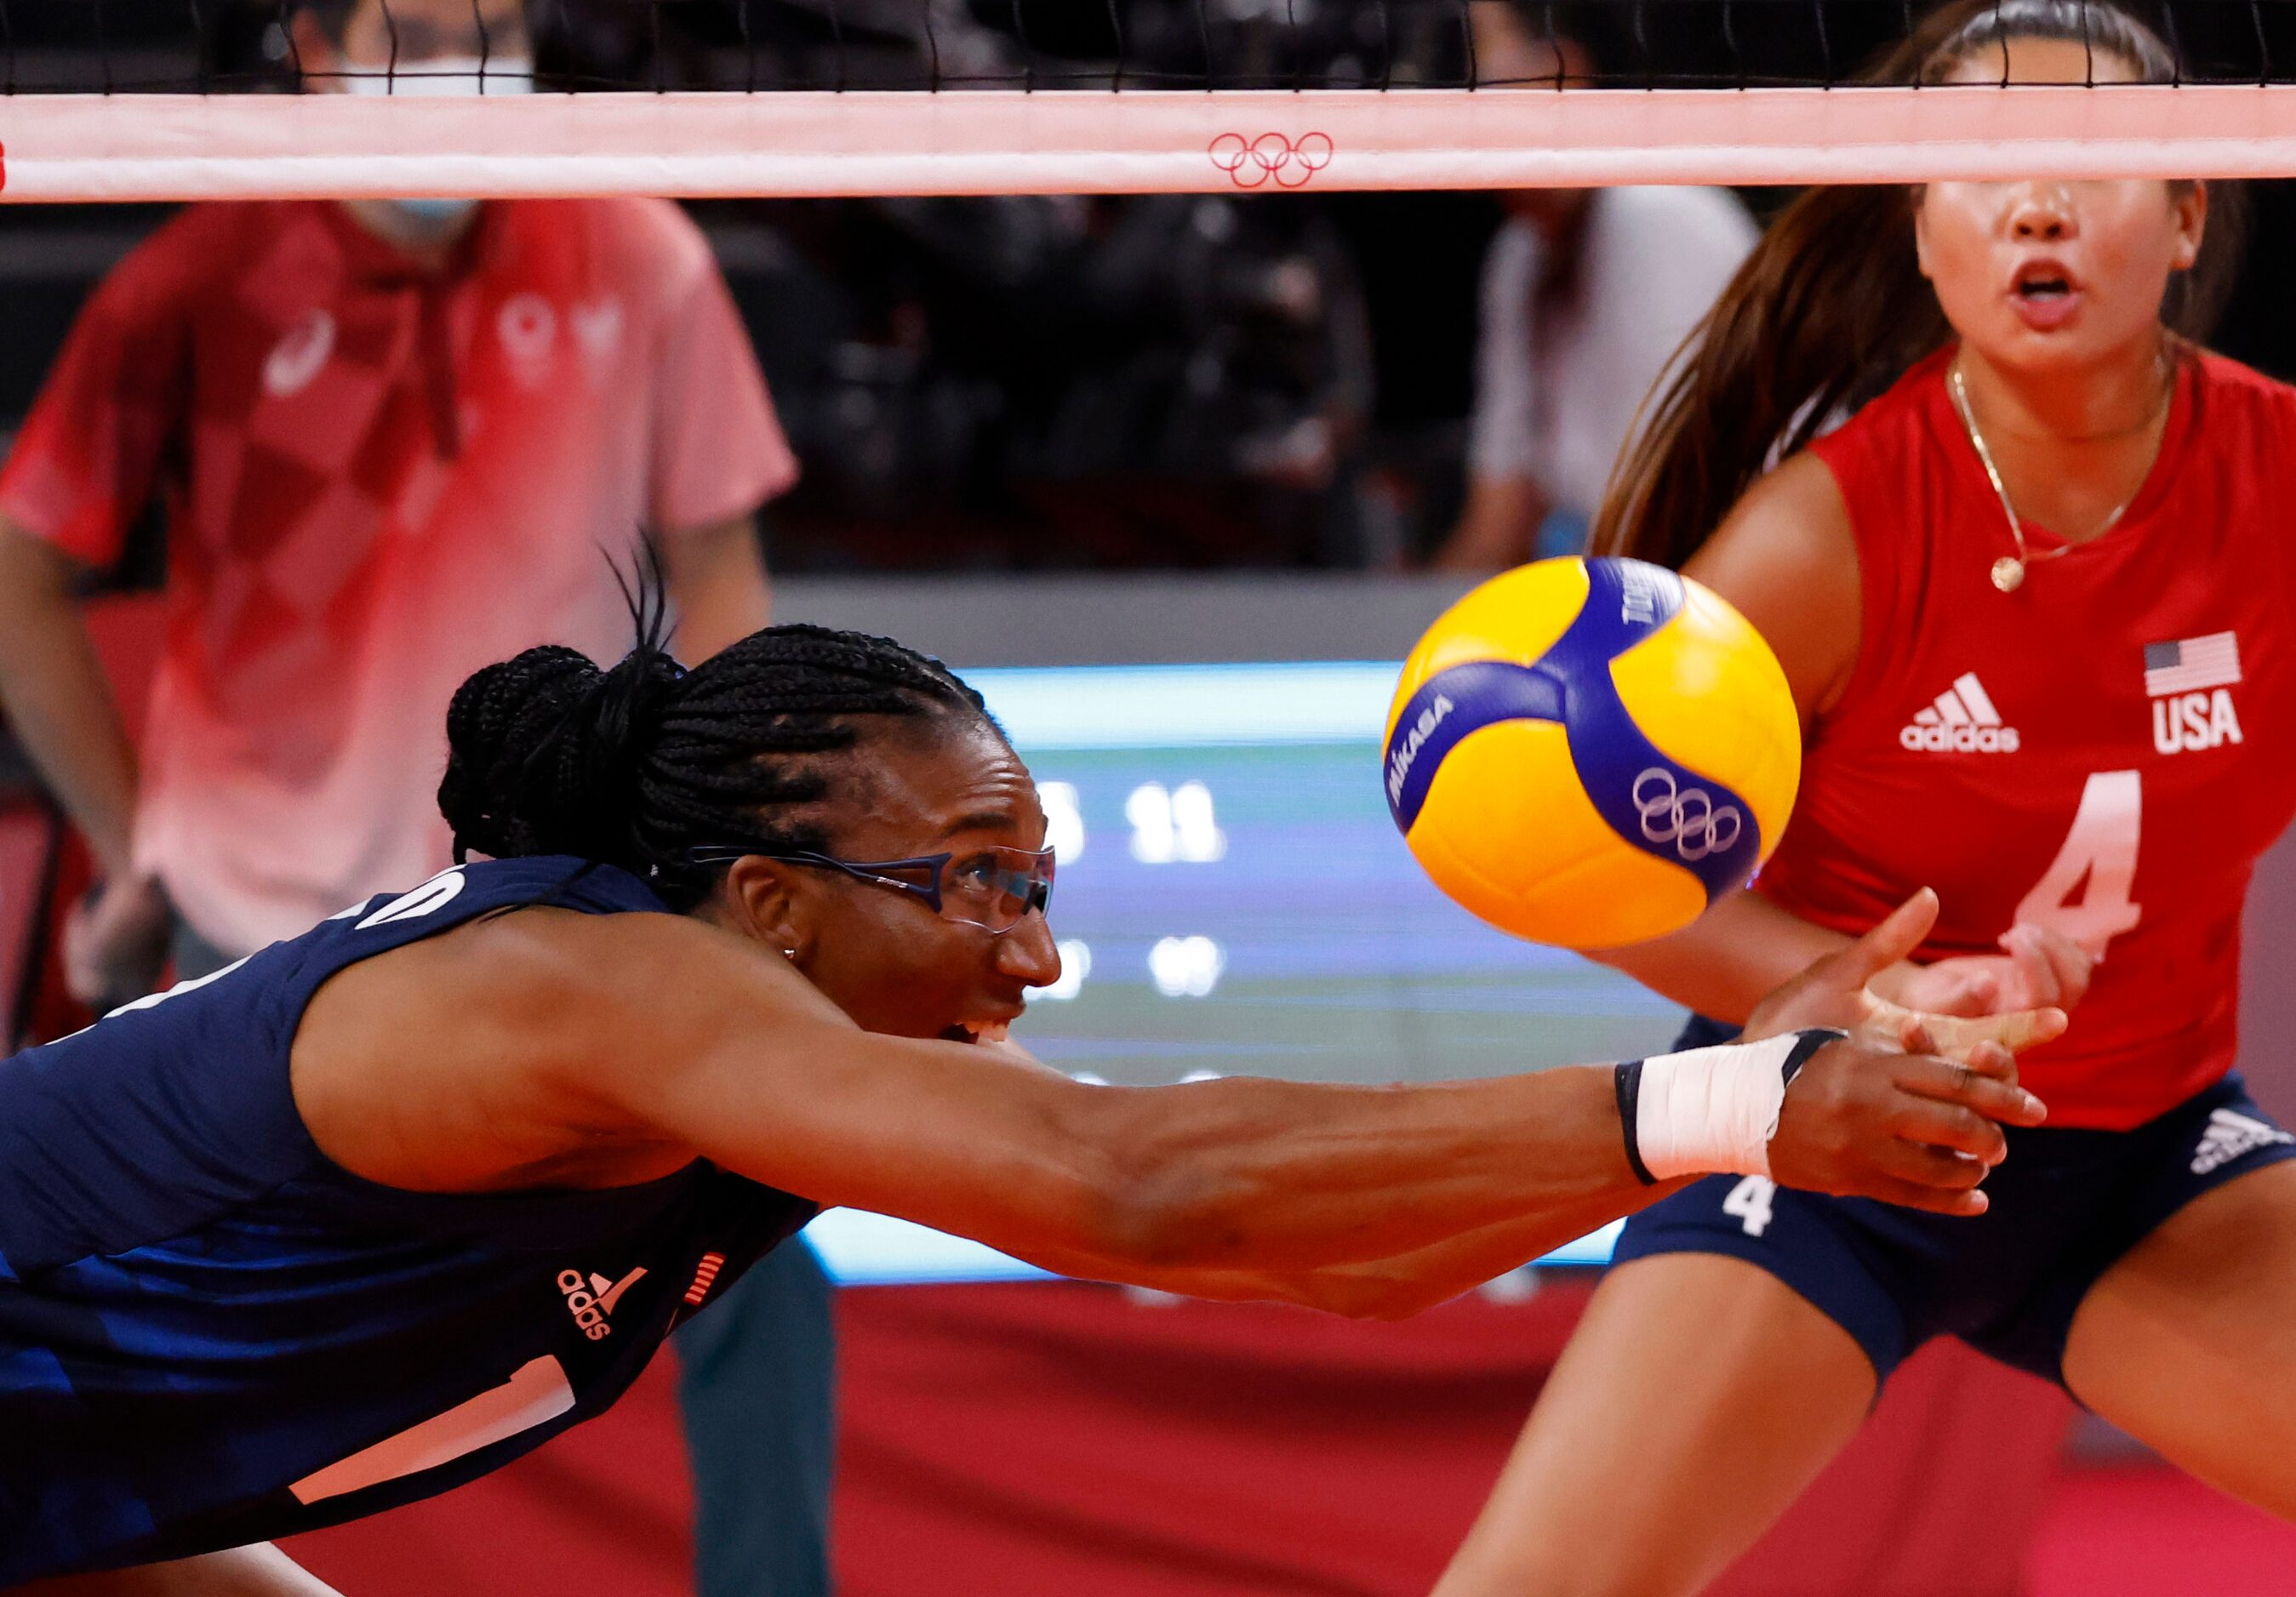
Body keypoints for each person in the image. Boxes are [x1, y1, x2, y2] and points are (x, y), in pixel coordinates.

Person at [0, 595, 2060, 1593]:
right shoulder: (590, 992)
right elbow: (1144, 1186)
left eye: (1042, 891)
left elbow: (1308, 1270)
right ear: (769, 905)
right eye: (975, 885)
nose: (1036, 954)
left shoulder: (742, 1074)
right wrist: (1718, 1112)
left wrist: (1715, 1110)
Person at [1434, 5, 2296, 1594]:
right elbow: (1581, 865)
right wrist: (1848, 991)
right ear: (1916, 221)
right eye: (1972, 168)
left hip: (2142, 1163)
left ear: (2188, 213)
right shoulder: (1820, 536)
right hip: (1825, 1148)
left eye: (2089, 166)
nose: (2030, 204)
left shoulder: (2277, 477)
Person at [0, 5, 830, 1591]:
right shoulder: (196, 275)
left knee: (764, 1255)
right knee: (167, 1385)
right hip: (269, 943)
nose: (464, 55)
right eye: (417, 27)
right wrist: (131, 841)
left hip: (571, 916)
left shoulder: (637, 251)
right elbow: (24, 574)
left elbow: (722, 577)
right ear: (316, 40)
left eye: (491, 24)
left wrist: (740, 849)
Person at [1431, 3, 1756, 572]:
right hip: (1616, 576)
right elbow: (1503, 511)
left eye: (1476, 59)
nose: (1461, 85)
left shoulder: (1661, 219)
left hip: (1724, 581)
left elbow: (1676, 506)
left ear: (1561, 69)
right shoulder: (1516, 262)